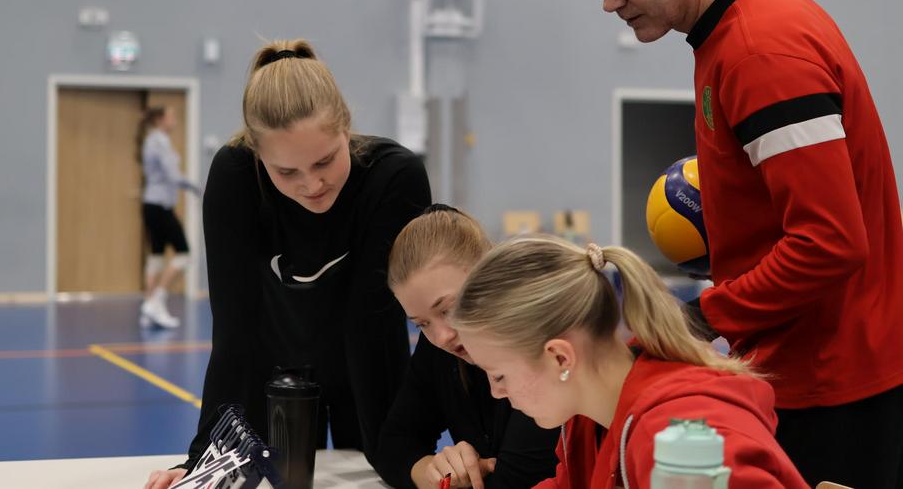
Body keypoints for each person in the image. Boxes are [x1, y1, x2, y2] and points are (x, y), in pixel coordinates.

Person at [560, 0, 903, 487]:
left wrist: (700, 316)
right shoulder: (734, 34)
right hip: (811, 368)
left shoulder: (759, 52)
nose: (609, 2)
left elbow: (830, 242)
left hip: (833, 384)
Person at [143, 40, 431, 489]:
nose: (312, 185)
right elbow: (234, 327)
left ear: (346, 128)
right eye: (287, 172)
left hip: (371, 371)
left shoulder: (393, 178)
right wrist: (206, 457)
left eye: (325, 161)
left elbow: (372, 323)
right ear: (258, 156)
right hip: (274, 375)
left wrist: (402, 455)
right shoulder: (236, 177)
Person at [452, 237, 809, 488]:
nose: (497, 393)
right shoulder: (587, 420)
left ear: (560, 357)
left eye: (499, 375)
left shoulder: (681, 443)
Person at [373, 205, 573, 489]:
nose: (442, 336)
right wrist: (436, 471)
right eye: (422, 324)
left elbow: (518, 481)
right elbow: (393, 445)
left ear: (490, 274)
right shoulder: (441, 348)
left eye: (449, 309)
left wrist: (466, 479)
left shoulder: (541, 346)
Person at [137, 106, 199, 329]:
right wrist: (196, 187)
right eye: (171, 116)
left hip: (154, 206)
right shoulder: (159, 142)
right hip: (160, 206)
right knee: (184, 254)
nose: (175, 120)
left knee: (157, 255)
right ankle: (157, 300)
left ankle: (148, 307)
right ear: (160, 119)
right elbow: (173, 176)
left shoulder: (152, 140)